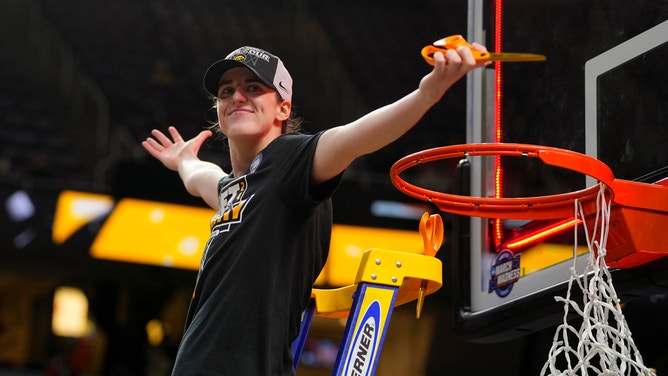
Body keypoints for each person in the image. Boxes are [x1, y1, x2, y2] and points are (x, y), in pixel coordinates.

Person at [142, 43, 487, 375]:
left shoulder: (288, 161)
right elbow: (203, 177)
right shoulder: (237, 190)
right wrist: (184, 161)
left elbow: (355, 137)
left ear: (283, 109)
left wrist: (427, 93)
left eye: (253, 87)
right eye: (226, 90)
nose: (237, 95)